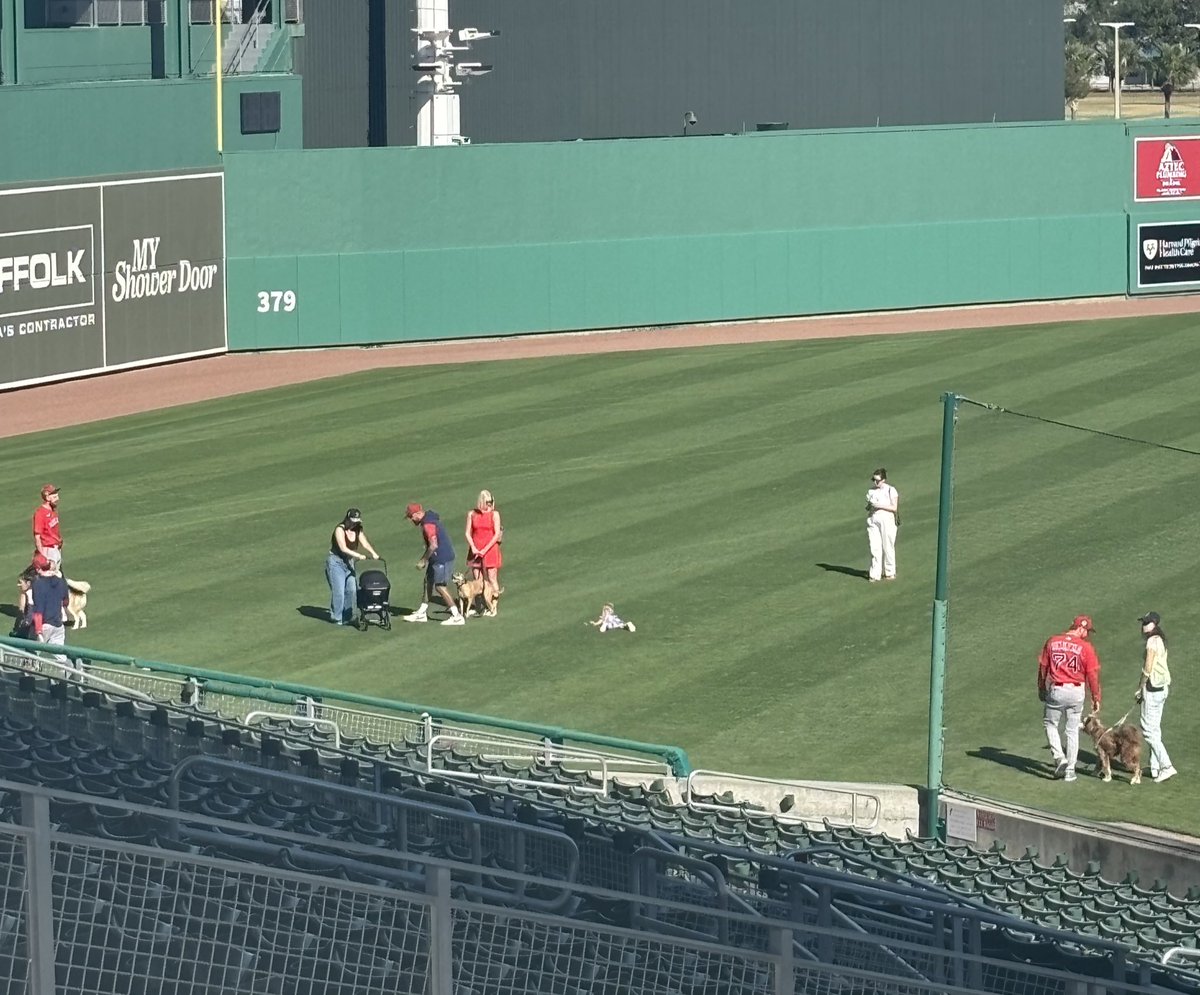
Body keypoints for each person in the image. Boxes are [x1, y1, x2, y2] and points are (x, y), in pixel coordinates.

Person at [1037, 614, 1102, 782]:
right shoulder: (1086, 647)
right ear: (1080, 628)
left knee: (1050, 724)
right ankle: (1071, 770)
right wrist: (1096, 697)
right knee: (1072, 731)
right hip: (1076, 692)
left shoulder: (1052, 641)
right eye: (1086, 631)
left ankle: (1060, 758)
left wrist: (1041, 687)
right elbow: (1092, 675)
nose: (1087, 634)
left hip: (1057, 690)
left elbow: (1043, 667)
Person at [403, 503, 464, 625]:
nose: (411, 520)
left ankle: (457, 616)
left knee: (439, 586)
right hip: (437, 557)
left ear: (417, 514)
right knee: (428, 581)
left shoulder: (428, 524)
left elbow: (434, 545)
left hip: (442, 557)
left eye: (411, 517)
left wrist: (423, 560)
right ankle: (422, 613)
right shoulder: (429, 519)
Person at [1135, 611, 1176, 784]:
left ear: (1154, 624)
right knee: (1155, 728)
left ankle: (1166, 766)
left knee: (1148, 730)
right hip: (1162, 688)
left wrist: (1140, 687)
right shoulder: (1160, 640)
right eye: (1143, 622)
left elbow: (1148, 667)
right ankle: (1155, 767)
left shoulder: (1152, 641)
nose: (1143, 625)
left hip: (1152, 688)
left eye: (1147, 622)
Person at [325, 508, 380, 625]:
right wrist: (358, 555)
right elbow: (343, 548)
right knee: (339, 591)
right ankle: (337, 617)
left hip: (349, 562)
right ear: (348, 519)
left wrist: (373, 553)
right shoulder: (339, 529)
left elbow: (364, 543)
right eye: (353, 521)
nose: (355, 523)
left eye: (357, 521)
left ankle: (348, 616)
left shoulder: (358, 529)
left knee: (351, 589)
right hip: (336, 562)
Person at [465, 489, 503, 617]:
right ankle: (480, 607)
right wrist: (474, 548)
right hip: (475, 550)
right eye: (487, 502)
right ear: (481, 502)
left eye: (491, 502)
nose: (490, 505)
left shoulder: (495, 514)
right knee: (478, 579)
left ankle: (493, 607)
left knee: (492, 578)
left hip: (490, 549)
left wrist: (485, 550)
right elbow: (467, 533)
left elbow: (496, 534)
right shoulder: (472, 514)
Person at [29, 554, 71, 666]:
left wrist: (38, 631)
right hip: (58, 624)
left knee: (33, 655)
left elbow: (38, 610)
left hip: (44, 625)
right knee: (61, 657)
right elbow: (66, 601)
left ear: (37, 568)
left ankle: (29, 680)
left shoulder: (38, 584)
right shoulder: (60, 581)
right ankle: (71, 675)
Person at [865, 468, 899, 582]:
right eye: (873, 480)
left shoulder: (891, 490)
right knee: (875, 547)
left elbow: (894, 507)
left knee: (888, 545)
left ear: (883, 480)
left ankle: (890, 572)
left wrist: (879, 505)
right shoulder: (871, 491)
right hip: (873, 519)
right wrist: (870, 505)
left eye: (877, 480)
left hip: (887, 519)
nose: (875, 482)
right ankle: (875, 574)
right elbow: (868, 507)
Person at [33, 484, 63, 572]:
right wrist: (43, 558)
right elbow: (37, 537)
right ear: (47, 497)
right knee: (49, 578)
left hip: (56, 549)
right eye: (54, 496)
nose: (57, 499)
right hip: (47, 551)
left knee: (57, 578)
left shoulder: (53, 511)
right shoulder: (40, 513)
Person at [11, 567, 35, 639]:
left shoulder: (29, 594)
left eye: (20, 582)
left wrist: (24, 625)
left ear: (28, 583)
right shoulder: (35, 591)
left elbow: (30, 613)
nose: (18, 585)